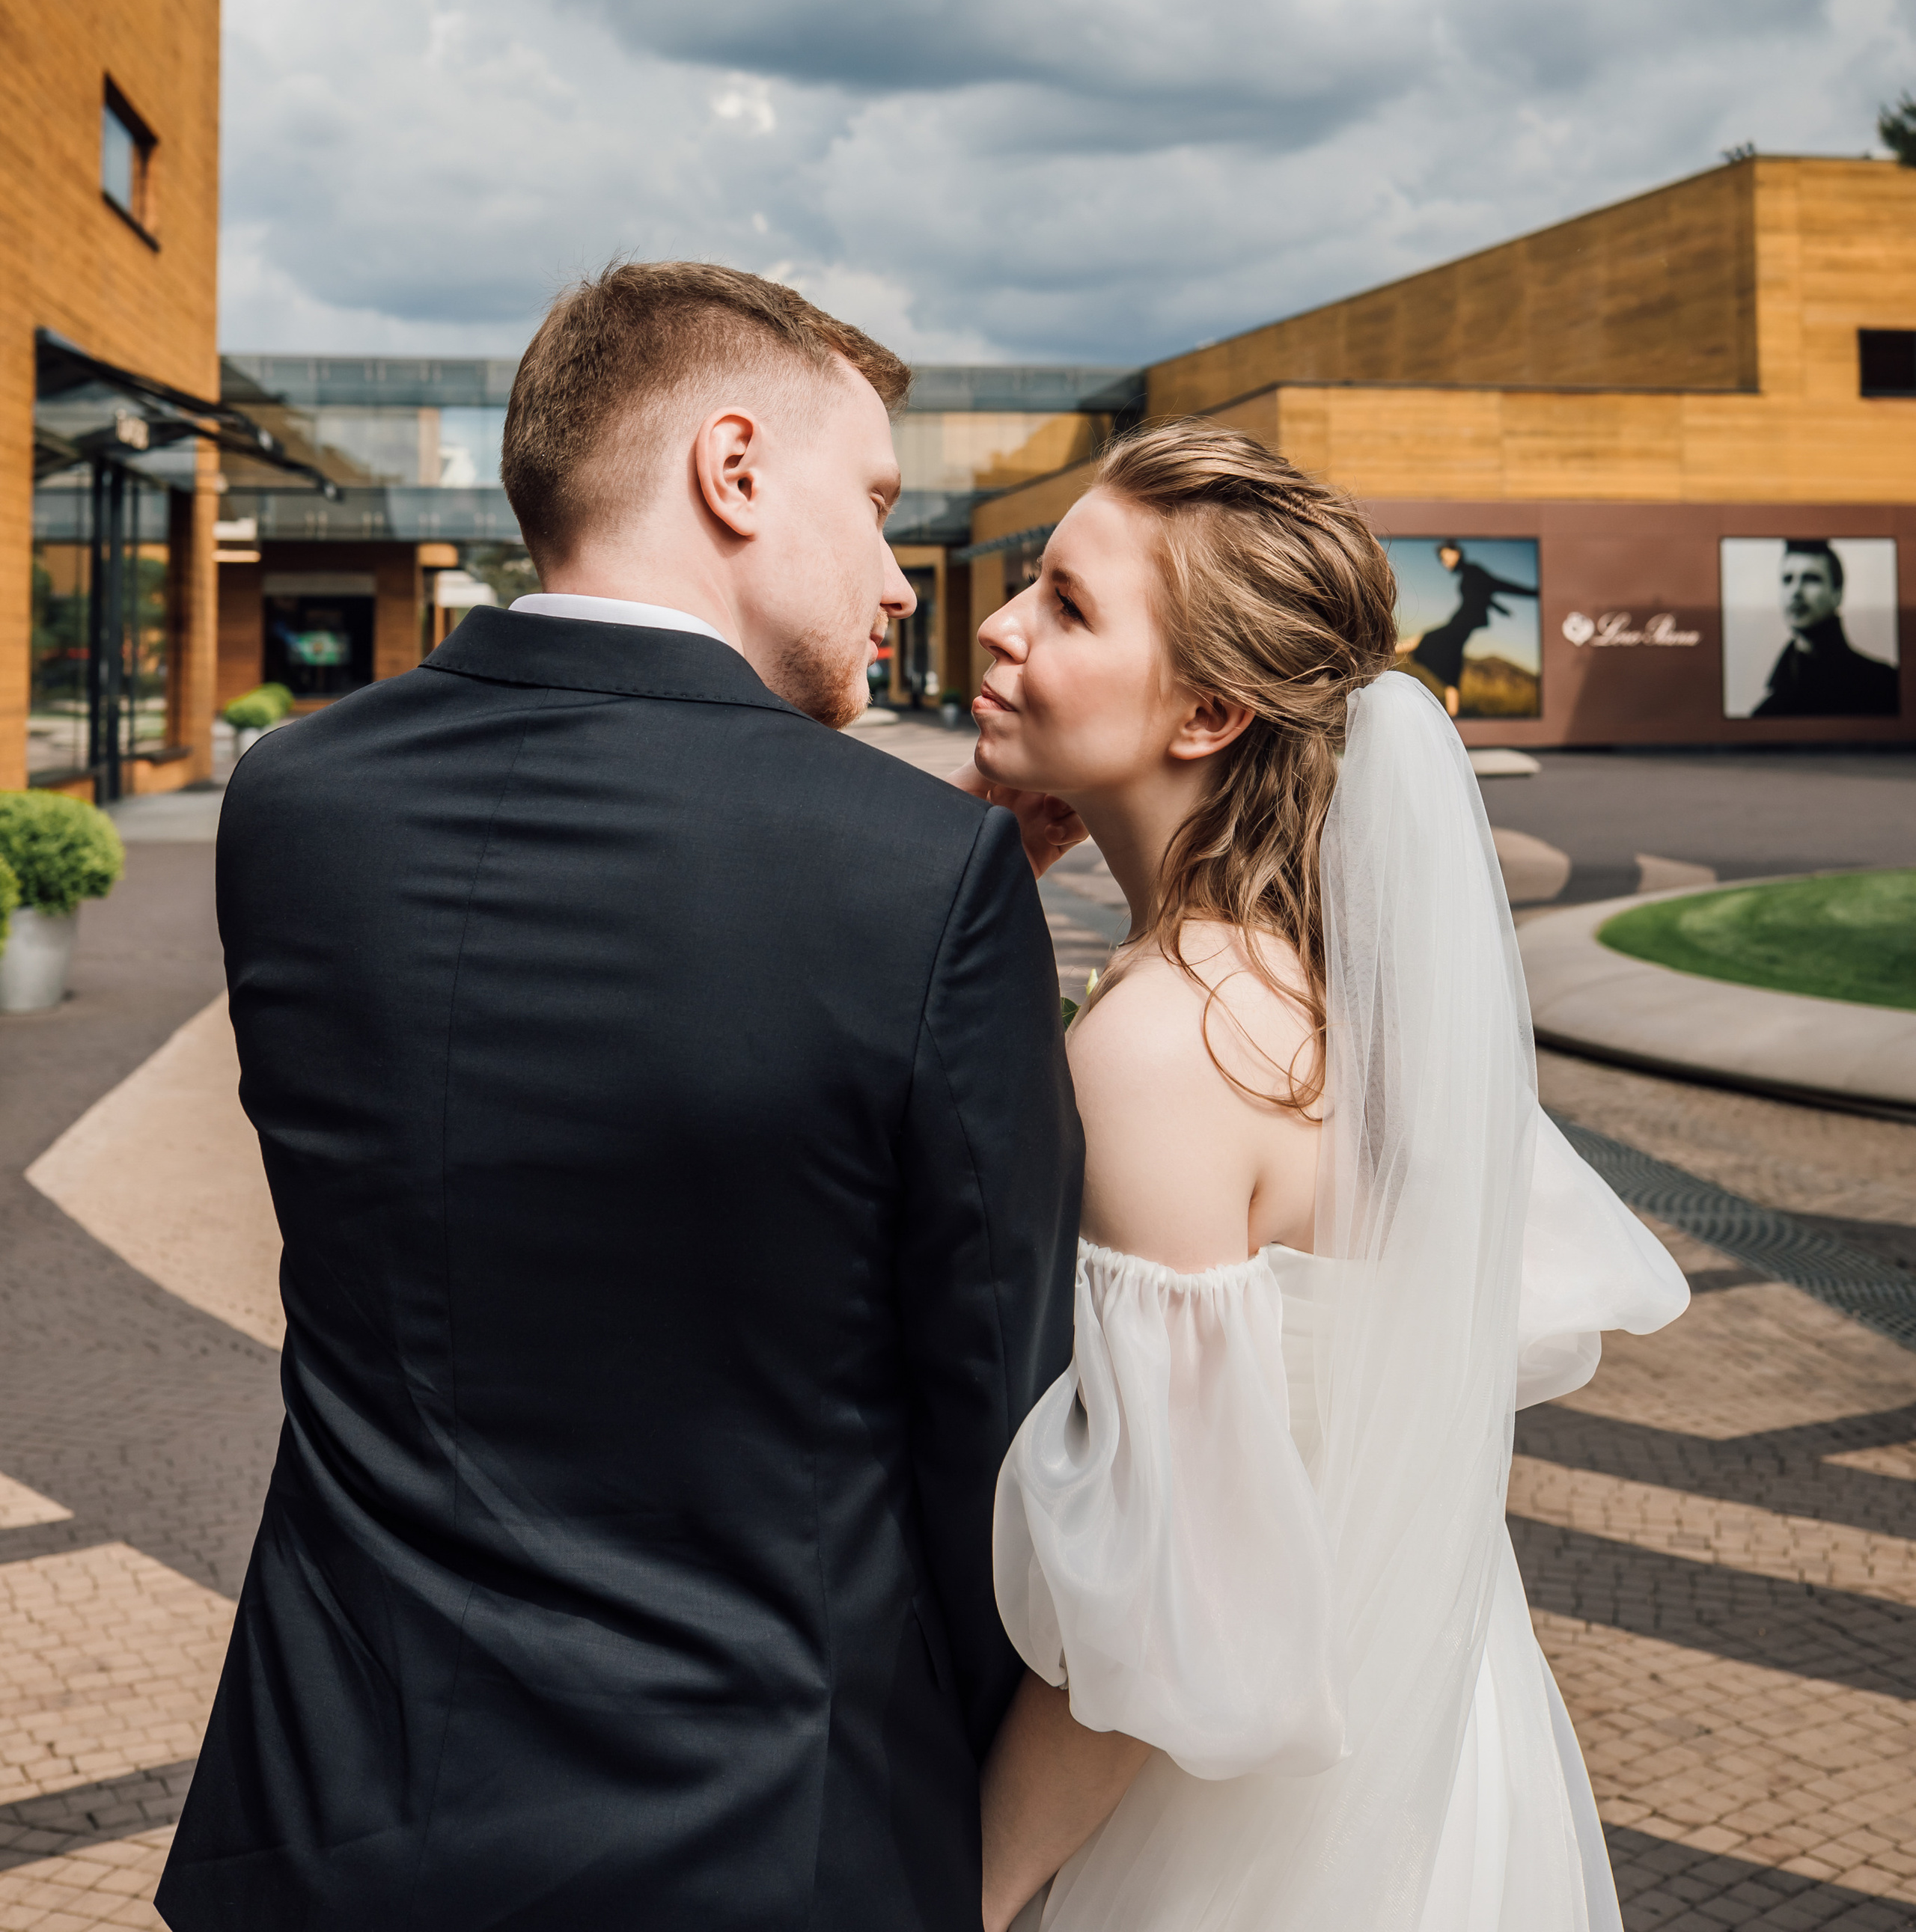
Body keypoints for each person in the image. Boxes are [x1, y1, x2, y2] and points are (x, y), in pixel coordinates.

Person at [157, 262, 1081, 1932]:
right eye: (876, 505)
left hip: (327, 1815)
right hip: (752, 1835)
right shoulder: (920, 874)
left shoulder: (292, 803)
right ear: (733, 472)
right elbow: (995, 1435)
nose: (896, 577)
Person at [963, 424, 1688, 1932]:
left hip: (1231, 1835)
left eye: (1068, 606)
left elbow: (1163, 1621)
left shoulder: (1167, 1043)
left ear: (1208, 711)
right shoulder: (1312, 985)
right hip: (1428, 1740)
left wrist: (963, 1892)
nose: (999, 627)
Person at [1751, 538, 1900, 718]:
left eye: (1811, 579)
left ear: (1838, 593)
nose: (1796, 591)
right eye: (1787, 579)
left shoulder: (1886, 685)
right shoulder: (1766, 714)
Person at [1409, 539, 1539, 718]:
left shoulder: (1473, 571)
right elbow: (1482, 595)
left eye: (1447, 557)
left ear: (1457, 552)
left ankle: (1383, 653)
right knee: (1452, 665)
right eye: (1443, 561)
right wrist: (1499, 608)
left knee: (1424, 639)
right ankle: (1453, 715)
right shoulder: (1469, 574)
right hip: (1462, 624)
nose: (1446, 563)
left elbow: (1498, 585)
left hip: (1461, 623)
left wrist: (1534, 592)